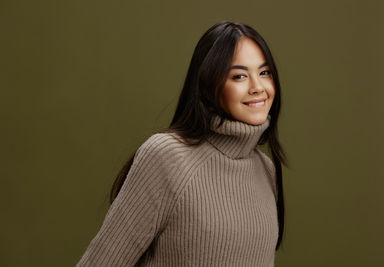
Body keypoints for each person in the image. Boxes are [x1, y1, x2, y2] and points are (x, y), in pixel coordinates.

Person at [76, 20, 289, 267]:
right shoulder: (166, 157)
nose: (258, 87)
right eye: (239, 76)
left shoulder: (265, 169)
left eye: (264, 73)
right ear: (209, 85)